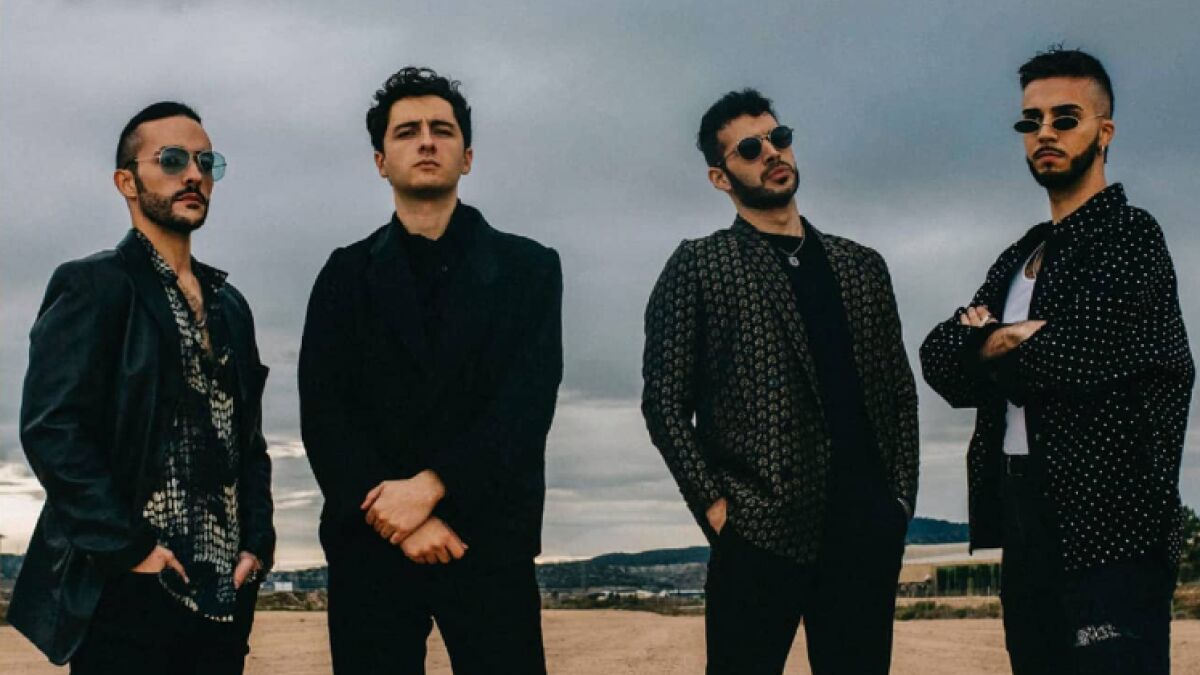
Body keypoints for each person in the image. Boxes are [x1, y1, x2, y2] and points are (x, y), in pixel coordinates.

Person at [919, 47, 1194, 675]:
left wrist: (987, 343)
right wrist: (1008, 339)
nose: (1044, 132)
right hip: (1024, 522)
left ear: (1104, 131)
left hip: (1112, 529)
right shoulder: (1020, 256)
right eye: (1031, 120)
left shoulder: (1132, 237)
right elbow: (940, 361)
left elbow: (1074, 355)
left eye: (1064, 118)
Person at [641, 88, 919, 675]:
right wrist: (718, 510)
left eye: (779, 138)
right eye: (750, 148)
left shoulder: (862, 265)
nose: (771, 152)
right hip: (758, 535)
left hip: (865, 532)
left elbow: (899, 392)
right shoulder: (700, 265)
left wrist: (898, 501)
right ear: (720, 178)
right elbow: (664, 403)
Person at [299, 66, 562, 674]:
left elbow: (525, 404)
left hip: (487, 538)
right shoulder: (344, 274)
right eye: (407, 131)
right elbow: (325, 411)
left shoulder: (529, 269)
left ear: (466, 157)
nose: (425, 141)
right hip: (372, 542)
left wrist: (433, 487)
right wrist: (399, 521)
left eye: (441, 130)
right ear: (380, 161)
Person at [11, 101, 275, 674]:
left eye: (206, 162)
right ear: (126, 182)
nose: (194, 174)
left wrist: (258, 545)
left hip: (222, 597)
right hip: (128, 592)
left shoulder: (232, 306)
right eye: (172, 160)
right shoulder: (94, 285)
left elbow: (249, 443)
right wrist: (129, 550)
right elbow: (53, 429)